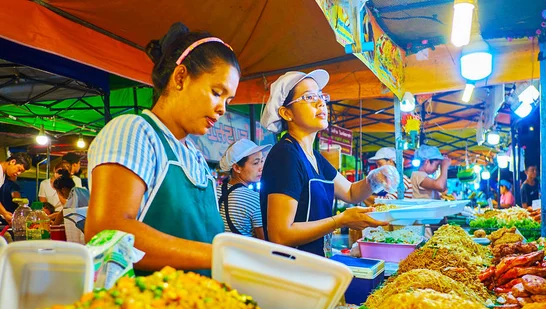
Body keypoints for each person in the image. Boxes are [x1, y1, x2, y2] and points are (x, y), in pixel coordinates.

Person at [86, 22, 240, 273]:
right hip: (146, 305)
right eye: (216, 92)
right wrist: (223, 256)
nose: (223, 108)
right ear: (180, 77)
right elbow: (107, 231)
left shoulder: (196, 158)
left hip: (199, 305)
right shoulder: (134, 131)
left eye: (228, 100)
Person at [260, 70, 398, 257]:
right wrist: (339, 220)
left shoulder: (314, 157)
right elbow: (280, 234)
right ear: (286, 113)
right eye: (309, 97)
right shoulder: (285, 155)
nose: (320, 102)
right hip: (291, 272)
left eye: (321, 96)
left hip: (314, 264)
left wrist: (375, 179)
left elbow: (350, 193)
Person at [217, 139, 271, 238]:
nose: (261, 167)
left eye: (262, 161)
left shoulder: (215, 192)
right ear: (237, 168)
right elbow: (264, 241)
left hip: (218, 251)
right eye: (256, 163)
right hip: (242, 253)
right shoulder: (254, 198)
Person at [0, 152, 31, 223]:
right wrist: (4, 213)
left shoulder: (3, 175)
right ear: (12, 162)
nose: (18, 173)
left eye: (21, 172)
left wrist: (5, 214)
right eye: (19, 169)